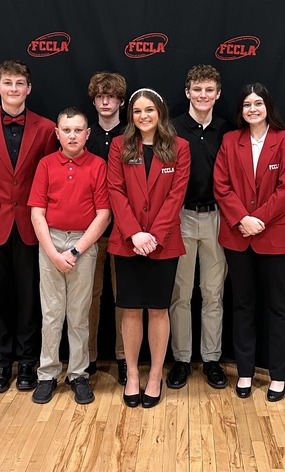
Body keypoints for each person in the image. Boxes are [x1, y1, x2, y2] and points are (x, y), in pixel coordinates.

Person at [0, 60, 57, 393]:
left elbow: (48, 177)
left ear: (28, 88)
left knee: (30, 294)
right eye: (8, 82)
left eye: (19, 83)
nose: (13, 88)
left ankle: (28, 361)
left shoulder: (46, 128)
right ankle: (1, 362)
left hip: (31, 222)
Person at [213, 83, 285, 402]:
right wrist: (242, 219)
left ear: (268, 107)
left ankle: (279, 375)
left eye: (258, 103)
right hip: (238, 236)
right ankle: (245, 371)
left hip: (274, 235)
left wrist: (258, 219)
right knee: (242, 305)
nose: (253, 109)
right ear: (241, 110)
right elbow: (221, 185)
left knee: (278, 306)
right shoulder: (229, 141)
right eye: (247, 104)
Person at [107, 88, 190, 408]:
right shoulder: (119, 146)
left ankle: (155, 376)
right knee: (129, 310)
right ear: (131, 116)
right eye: (138, 111)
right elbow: (115, 191)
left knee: (158, 309)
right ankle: (132, 375)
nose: (144, 116)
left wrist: (153, 235)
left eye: (149, 110)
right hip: (128, 242)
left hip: (162, 243)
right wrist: (134, 234)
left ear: (160, 112)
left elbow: (176, 196)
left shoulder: (179, 147)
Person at [28, 107, 111, 405]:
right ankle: (47, 374)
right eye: (67, 130)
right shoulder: (46, 165)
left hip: (83, 243)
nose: (72, 135)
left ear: (87, 134)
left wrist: (75, 250)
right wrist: (53, 253)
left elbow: (103, 214)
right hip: (50, 240)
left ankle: (78, 374)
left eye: (78, 130)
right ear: (57, 133)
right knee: (52, 313)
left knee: (79, 314)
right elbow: (37, 213)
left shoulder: (98, 165)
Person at [167, 65, 231, 391]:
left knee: (213, 293)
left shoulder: (227, 130)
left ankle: (211, 359)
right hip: (181, 216)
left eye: (209, 90)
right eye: (197, 89)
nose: (202, 95)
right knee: (180, 293)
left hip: (217, 217)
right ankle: (181, 359)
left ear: (217, 94)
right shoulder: (172, 128)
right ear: (187, 92)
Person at [84, 72, 128, 383]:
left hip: (125, 230)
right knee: (90, 296)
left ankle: (125, 358)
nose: (105, 102)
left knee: (124, 298)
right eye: (100, 96)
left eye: (110, 96)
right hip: (91, 230)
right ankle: (87, 358)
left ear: (121, 101)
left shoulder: (133, 135)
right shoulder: (85, 136)